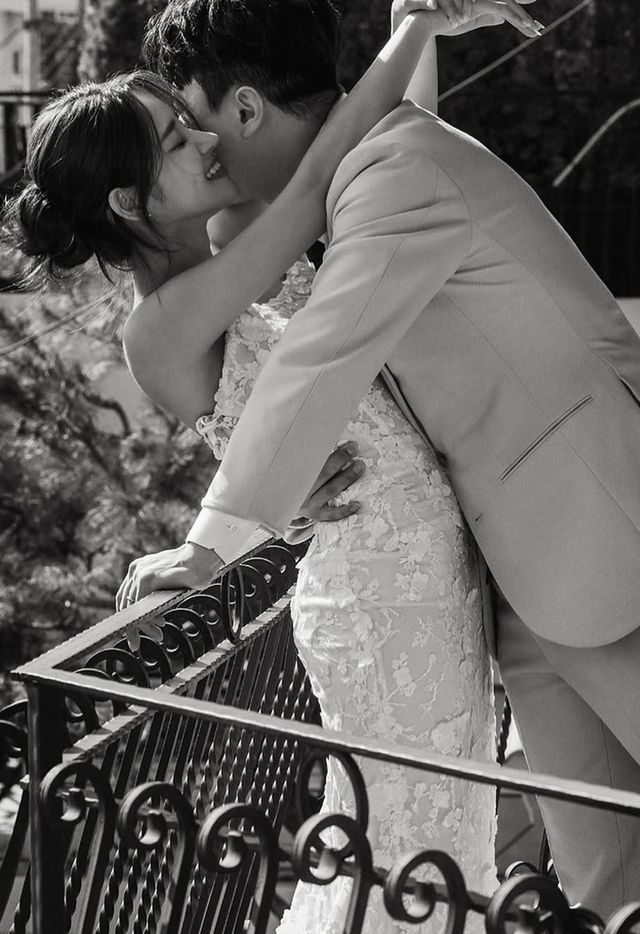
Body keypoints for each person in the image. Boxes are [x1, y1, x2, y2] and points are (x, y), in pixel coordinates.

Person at [2, 2, 540, 928]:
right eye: (177, 140)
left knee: (436, 840)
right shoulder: (159, 330)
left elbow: (370, 158)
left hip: (430, 566)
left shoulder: (231, 235)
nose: (207, 140)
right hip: (375, 598)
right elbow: (318, 179)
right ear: (128, 203)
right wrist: (415, 24)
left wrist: (417, 35)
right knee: (407, 851)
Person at [111, 0, 640, 918]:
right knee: (606, 879)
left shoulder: (396, 172)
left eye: (193, 119)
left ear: (245, 109)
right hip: (518, 569)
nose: (196, 145)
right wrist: (413, 27)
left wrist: (211, 544)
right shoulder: (369, 169)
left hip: (600, 531)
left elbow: (321, 358)